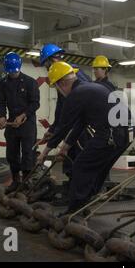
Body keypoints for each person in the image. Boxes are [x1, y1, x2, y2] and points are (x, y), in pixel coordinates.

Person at [37, 62, 132, 214]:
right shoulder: (88, 88)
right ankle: (85, 203)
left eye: (56, 87)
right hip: (126, 134)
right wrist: (65, 148)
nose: (58, 91)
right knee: (99, 169)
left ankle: (73, 210)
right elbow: (80, 124)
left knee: (80, 166)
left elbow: (63, 128)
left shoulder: (76, 95)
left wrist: (44, 153)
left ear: (62, 83)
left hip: (111, 134)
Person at [39, 43, 92, 205]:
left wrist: (49, 146)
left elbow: (79, 104)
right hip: (76, 123)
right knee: (70, 158)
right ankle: (73, 191)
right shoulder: (62, 75)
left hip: (82, 125)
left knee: (78, 159)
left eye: (46, 64)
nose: (47, 69)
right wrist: (53, 129)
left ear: (50, 60)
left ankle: (79, 195)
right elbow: (62, 107)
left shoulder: (71, 74)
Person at [0, 52, 40, 193]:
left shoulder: (30, 82)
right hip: (11, 123)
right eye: (10, 72)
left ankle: (27, 182)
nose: (13, 74)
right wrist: (2, 116)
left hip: (27, 123)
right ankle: (16, 181)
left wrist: (23, 115)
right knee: (11, 153)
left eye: (14, 72)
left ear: (19, 67)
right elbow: (0, 102)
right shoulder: (1, 84)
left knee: (28, 153)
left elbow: (35, 103)